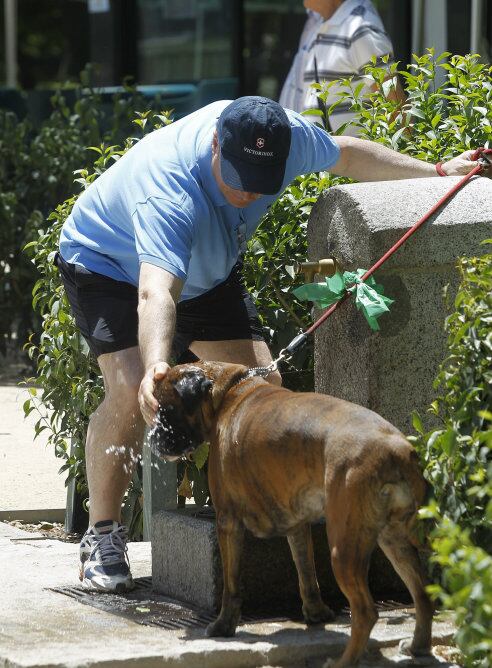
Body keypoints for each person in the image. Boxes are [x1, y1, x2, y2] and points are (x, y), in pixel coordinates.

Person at [56, 95, 479, 593]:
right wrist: (157, 367)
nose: (247, 196)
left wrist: (435, 171)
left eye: (260, 186)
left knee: (262, 388)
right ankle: (102, 537)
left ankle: (248, 512)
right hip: (109, 262)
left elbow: (346, 154)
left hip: (205, 275)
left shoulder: (287, 136)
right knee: (131, 386)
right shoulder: (168, 189)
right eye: (236, 181)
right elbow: (157, 291)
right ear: (215, 144)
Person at [279, 0, 405, 134]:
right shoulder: (323, 25)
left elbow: (395, 108)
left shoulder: (360, 28)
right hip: (325, 154)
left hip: (352, 155)